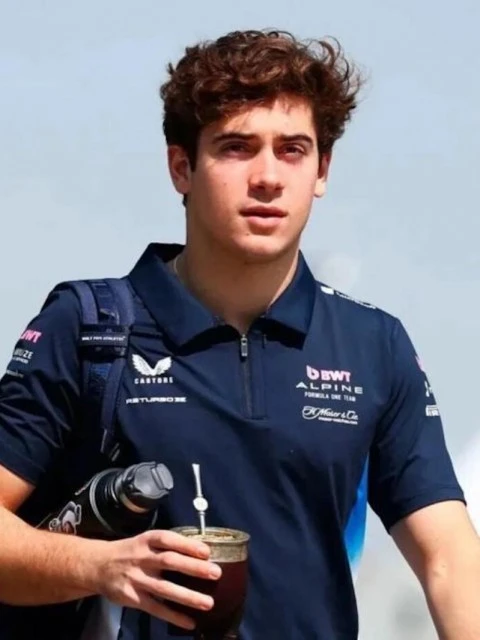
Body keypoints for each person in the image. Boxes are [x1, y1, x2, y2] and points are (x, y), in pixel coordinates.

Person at [0, 28, 478, 640]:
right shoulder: (88, 328)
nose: (268, 177)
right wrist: (101, 567)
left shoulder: (373, 344)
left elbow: (449, 561)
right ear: (181, 167)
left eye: (293, 150)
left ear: (322, 170)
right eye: (236, 148)